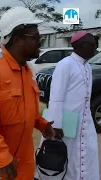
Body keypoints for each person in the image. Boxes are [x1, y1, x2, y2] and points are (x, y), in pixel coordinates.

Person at [0, 7, 55, 180]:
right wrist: (2, 157)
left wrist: (42, 124)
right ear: (17, 40)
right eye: (35, 37)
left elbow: (26, 108)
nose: (40, 42)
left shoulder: (27, 69)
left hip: (23, 161)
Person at [34, 32, 99, 179]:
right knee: (63, 156)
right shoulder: (65, 64)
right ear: (81, 46)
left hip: (83, 121)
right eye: (93, 45)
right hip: (65, 123)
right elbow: (56, 97)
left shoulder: (87, 66)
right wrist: (55, 124)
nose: (96, 48)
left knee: (86, 154)